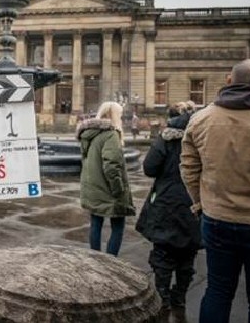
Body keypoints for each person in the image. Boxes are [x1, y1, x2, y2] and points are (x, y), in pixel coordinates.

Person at [181, 58, 250, 322]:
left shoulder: (200, 119)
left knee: (217, 291)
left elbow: (189, 170)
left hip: (217, 219)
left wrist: (201, 204)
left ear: (228, 80)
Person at [136, 103, 201, 315]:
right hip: (196, 201)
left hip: (167, 201)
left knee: (163, 251)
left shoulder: (167, 138)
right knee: (188, 252)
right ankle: (180, 297)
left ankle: (162, 296)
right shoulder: (204, 138)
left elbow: (149, 168)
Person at [77, 101, 135, 256]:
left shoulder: (89, 133)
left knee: (96, 223)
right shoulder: (111, 134)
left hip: (93, 186)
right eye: (120, 115)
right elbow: (112, 166)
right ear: (114, 116)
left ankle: (96, 258)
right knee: (118, 226)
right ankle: (111, 261)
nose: (122, 119)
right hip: (108, 188)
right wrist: (119, 190)